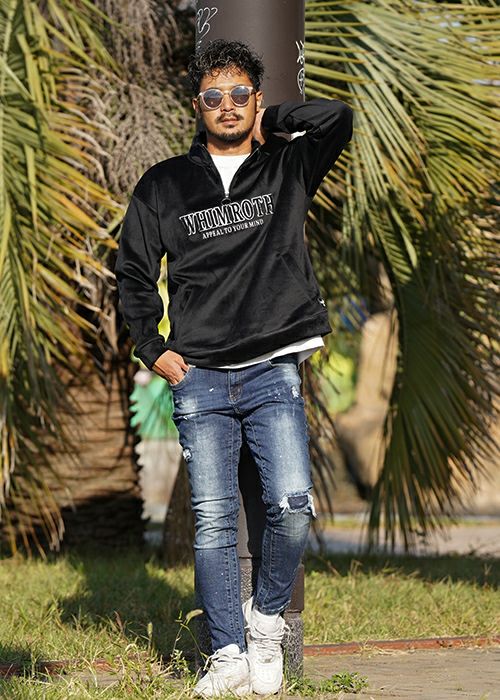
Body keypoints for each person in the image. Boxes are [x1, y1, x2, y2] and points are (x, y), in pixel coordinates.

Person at [115, 39, 353, 698]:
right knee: (214, 521)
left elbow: (338, 118)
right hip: (200, 377)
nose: (227, 105)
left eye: (240, 94)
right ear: (197, 104)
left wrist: (273, 122)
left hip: (273, 368)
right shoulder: (164, 184)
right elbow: (133, 272)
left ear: (256, 99)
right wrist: (152, 347)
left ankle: (265, 622)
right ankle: (226, 653)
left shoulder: (287, 166)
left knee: (292, 505)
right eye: (214, 95)